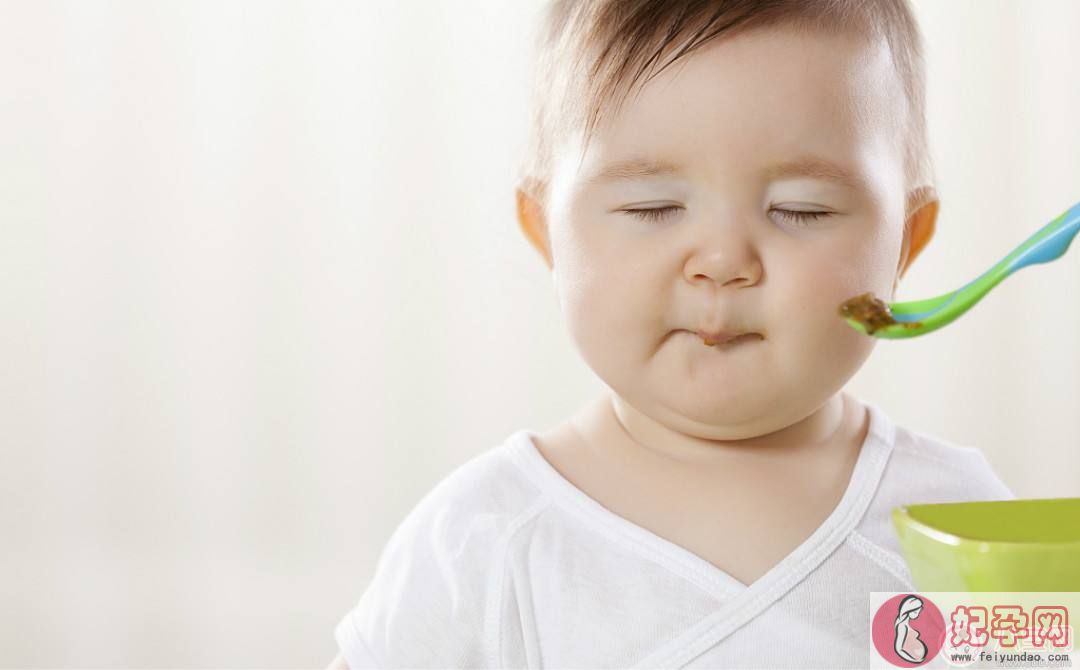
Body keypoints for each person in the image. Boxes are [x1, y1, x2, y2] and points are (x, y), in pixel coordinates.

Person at [329, 1, 1014, 667]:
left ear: (904, 246)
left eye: (799, 211)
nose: (721, 261)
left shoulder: (961, 525)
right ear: (548, 235)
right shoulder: (484, 542)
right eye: (653, 208)